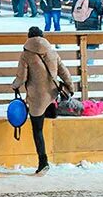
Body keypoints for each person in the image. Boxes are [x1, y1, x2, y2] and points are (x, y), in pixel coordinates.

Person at [12, 27, 74, 175]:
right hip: (52, 96)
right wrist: (70, 87)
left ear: (29, 38)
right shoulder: (52, 52)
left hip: (37, 99)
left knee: (37, 130)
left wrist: (14, 86)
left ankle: (43, 161)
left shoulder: (26, 55)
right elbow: (64, 71)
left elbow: (22, 78)